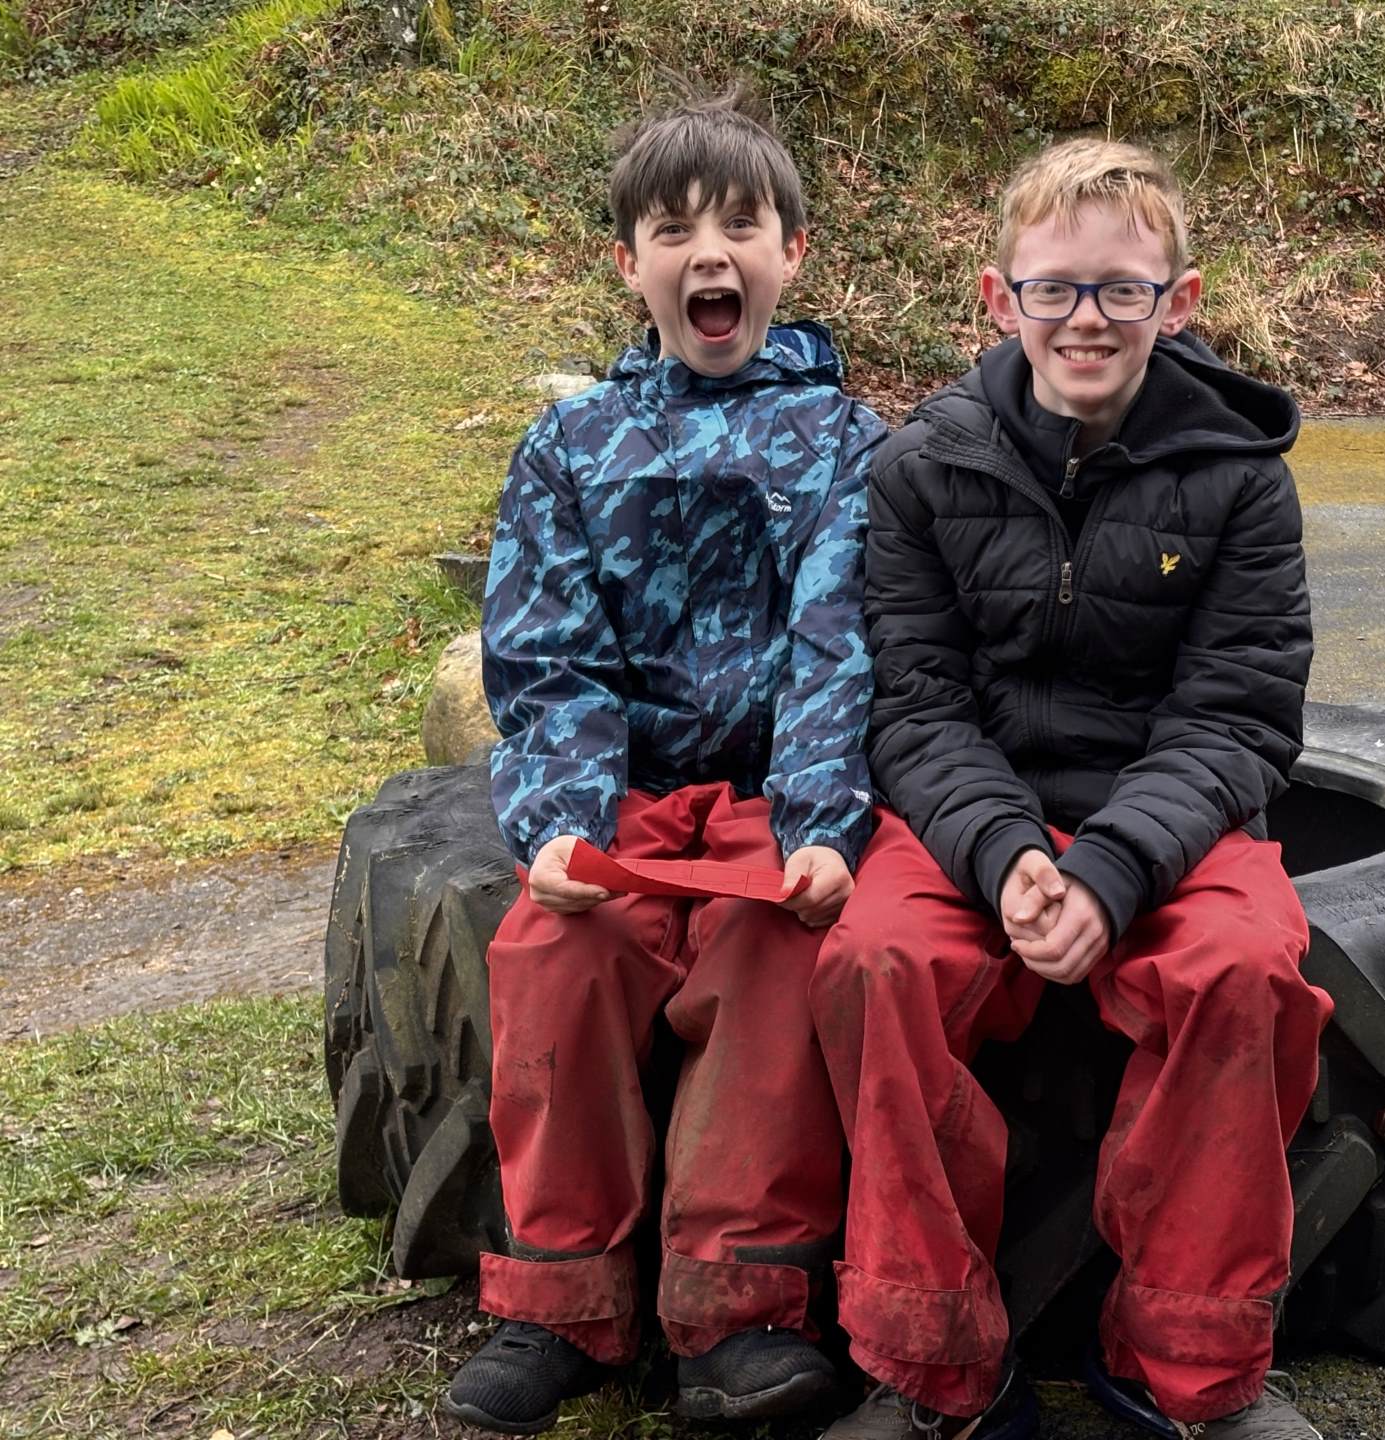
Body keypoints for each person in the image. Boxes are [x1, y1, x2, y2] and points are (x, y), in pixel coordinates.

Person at [810, 138, 1334, 1440]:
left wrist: (1108, 870)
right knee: (875, 962)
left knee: (1244, 975)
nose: (1086, 318)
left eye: (1121, 289)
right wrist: (1002, 854)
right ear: (1001, 299)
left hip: (1169, 822)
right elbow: (912, 702)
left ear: (1180, 301)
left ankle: (1184, 1369)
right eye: (1054, 288)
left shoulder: (1241, 479)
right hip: (970, 817)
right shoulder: (920, 468)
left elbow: (1239, 714)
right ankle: (937, 1372)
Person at [443, 86, 886, 1436]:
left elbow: (840, 647)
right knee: (554, 953)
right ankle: (560, 1305)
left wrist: (822, 828)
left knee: (774, 958)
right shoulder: (571, 446)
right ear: (628, 262)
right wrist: (563, 823)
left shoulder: (848, 443)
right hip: (625, 795)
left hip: (768, 798)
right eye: (675, 230)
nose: (711, 254)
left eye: (741, 226)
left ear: (791, 253)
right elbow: (548, 657)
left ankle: (739, 1314)